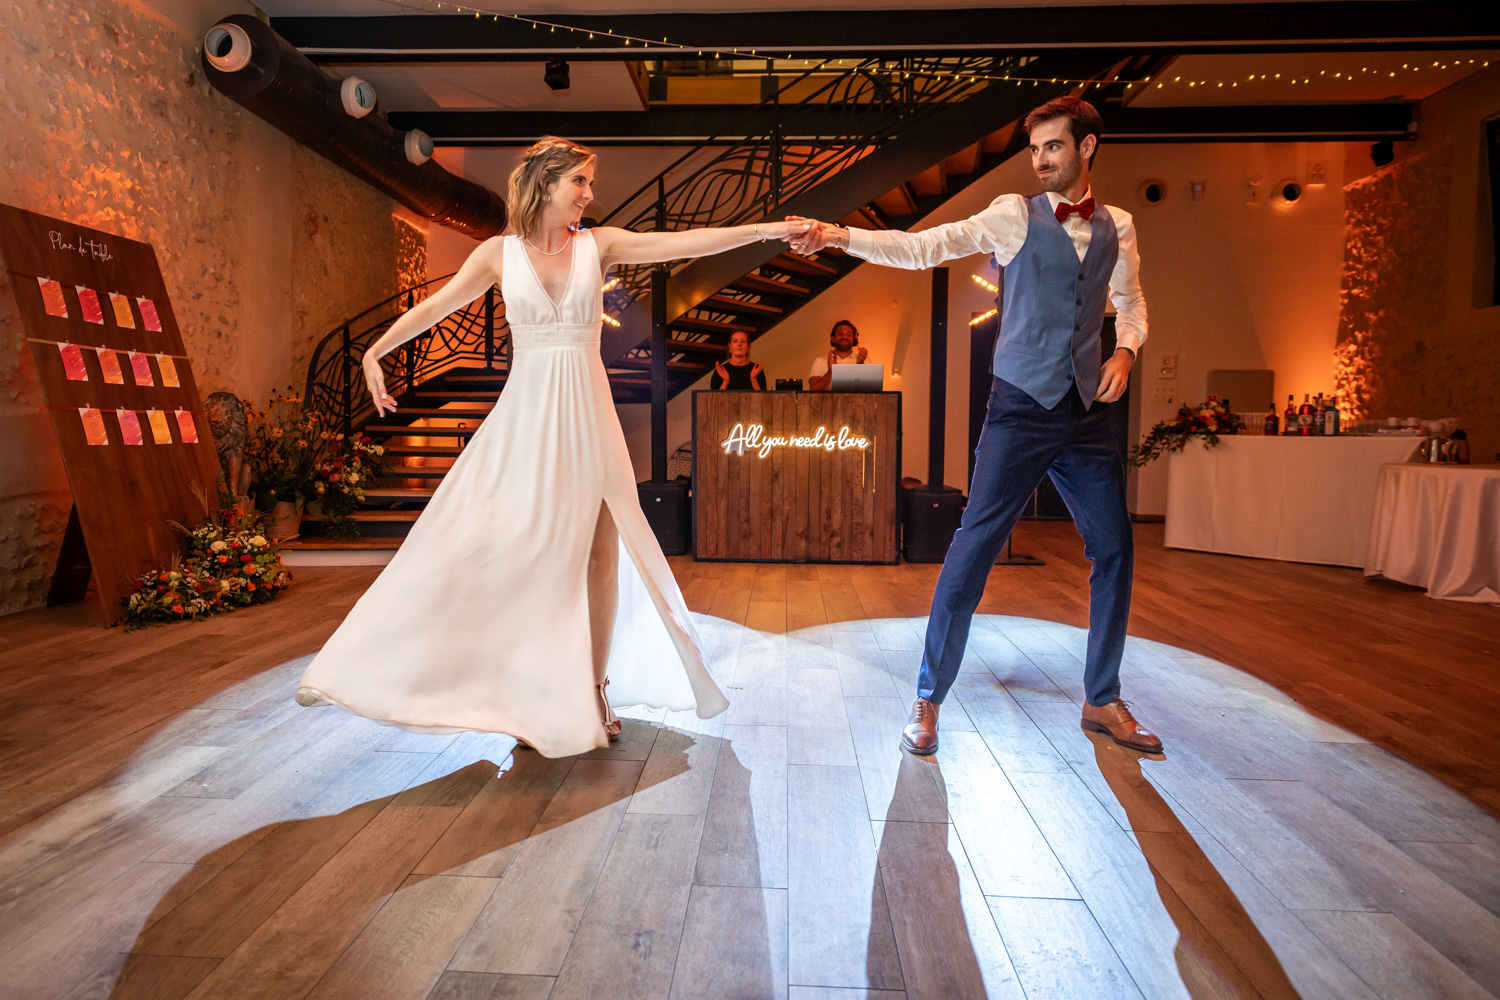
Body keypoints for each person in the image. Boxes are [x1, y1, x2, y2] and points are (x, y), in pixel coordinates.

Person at [296, 137, 810, 757]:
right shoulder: (497, 254)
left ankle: (593, 688)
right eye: (580, 182)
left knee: (601, 555)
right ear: (546, 183)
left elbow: (684, 244)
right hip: (527, 418)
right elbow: (437, 306)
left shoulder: (600, 245)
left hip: (589, 416)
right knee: (517, 550)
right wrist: (375, 350)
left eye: (589, 183)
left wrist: (768, 229)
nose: (590, 194)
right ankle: (518, 693)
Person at [790, 97, 1160, 756]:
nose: (1040, 160)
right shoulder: (1013, 214)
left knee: (1115, 549)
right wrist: (840, 236)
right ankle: (928, 699)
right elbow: (923, 247)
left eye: (1053, 146)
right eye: (1034, 148)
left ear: (1087, 147)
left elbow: (1130, 302)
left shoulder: (1120, 226)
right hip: (1019, 409)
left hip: (1085, 414)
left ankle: (1101, 697)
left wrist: (1126, 350)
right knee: (972, 551)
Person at [807, 319, 867, 390]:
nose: (844, 337)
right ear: (833, 339)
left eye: (849, 334)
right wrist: (830, 372)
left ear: (854, 340)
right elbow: (813, 390)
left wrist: (860, 366)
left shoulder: (864, 360)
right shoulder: (820, 361)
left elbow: (870, 391)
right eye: (840, 333)